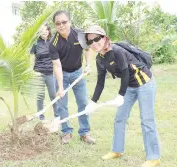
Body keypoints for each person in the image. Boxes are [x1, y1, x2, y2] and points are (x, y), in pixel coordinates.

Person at [80, 25, 161, 167]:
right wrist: (92, 102)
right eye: (90, 41)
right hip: (129, 86)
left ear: (104, 38)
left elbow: (125, 73)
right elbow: (100, 82)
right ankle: (117, 150)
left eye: (97, 39)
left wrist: (120, 96)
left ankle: (154, 157)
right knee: (119, 118)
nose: (94, 43)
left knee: (147, 121)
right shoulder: (100, 59)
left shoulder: (117, 51)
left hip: (145, 84)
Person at [49, 10, 95, 144]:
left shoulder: (80, 35)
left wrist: (88, 65)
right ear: (55, 25)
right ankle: (66, 132)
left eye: (64, 22)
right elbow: (57, 66)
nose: (61, 25)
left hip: (78, 73)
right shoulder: (53, 43)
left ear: (70, 22)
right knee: (62, 105)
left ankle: (85, 133)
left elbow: (87, 50)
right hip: (62, 74)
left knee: (83, 103)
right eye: (58, 23)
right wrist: (61, 87)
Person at [30, 23, 58, 120]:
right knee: (40, 96)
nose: (44, 32)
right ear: (39, 32)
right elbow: (30, 56)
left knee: (53, 96)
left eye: (46, 30)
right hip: (39, 73)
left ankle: (57, 116)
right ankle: (41, 117)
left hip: (50, 73)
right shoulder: (36, 43)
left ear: (49, 31)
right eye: (42, 30)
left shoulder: (53, 42)